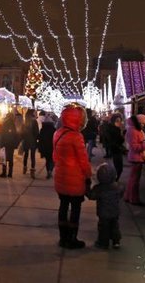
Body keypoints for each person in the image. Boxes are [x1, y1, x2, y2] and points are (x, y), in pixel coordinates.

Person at [53, 104, 92, 249]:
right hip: (75, 178)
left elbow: (55, 156)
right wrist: (88, 175)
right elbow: (83, 160)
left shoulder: (57, 133)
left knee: (63, 206)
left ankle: (63, 239)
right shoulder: (76, 136)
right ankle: (72, 239)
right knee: (75, 209)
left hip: (61, 177)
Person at [88, 163, 123, 249]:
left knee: (103, 227)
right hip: (115, 211)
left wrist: (87, 186)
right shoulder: (117, 186)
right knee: (115, 226)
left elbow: (91, 196)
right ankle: (116, 241)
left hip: (103, 213)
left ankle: (103, 242)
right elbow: (121, 193)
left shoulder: (99, 188)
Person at [123, 114, 145, 206]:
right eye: (142, 124)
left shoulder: (132, 129)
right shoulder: (134, 131)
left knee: (132, 179)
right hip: (136, 158)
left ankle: (128, 197)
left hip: (136, 157)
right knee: (135, 180)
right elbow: (134, 147)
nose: (143, 126)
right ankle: (133, 199)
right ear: (138, 123)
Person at [106, 113, 125, 180]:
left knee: (119, 167)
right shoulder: (111, 129)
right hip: (115, 150)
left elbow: (121, 140)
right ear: (113, 121)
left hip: (117, 149)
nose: (119, 122)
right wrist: (120, 147)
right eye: (117, 121)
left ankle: (115, 180)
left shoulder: (117, 129)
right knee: (118, 167)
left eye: (120, 121)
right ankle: (114, 181)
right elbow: (111, 141)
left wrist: (122, 132)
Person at [0, 112, 18, 178]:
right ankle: (10, 173)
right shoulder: (13, 124)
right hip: (11, 144)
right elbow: (15, 135)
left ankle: (4, 172)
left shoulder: (5, 123)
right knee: (10, 159)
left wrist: (1, 144)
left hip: (6, 143)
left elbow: (3, 135)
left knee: (4, 158)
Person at [21, 109, 39, 178]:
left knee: (26, 154)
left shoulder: (25, 122)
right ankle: (32, 172)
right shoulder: (34, 121)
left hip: (26, 141)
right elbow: (36, 132)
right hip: (33, 141)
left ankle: (24, 168)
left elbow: (22, 133)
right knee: (32, 156)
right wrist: (37, 139)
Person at [37, 114, 56, 179]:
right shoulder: (54, 130)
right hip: (52, 147)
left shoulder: (42, 129)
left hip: (45, 148)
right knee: (53, 160)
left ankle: (48, 171)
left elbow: (39, 138)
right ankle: (50, 170)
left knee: (47, 160)